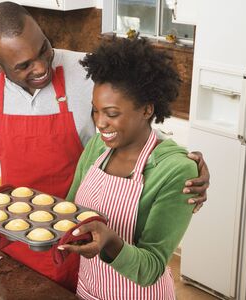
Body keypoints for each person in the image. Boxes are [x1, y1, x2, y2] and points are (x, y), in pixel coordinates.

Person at [0, 1, 209, 291]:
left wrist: (182, 162)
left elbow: (133, 128)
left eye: (44, 49)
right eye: (24, 65)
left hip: (80, 240)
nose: (41, 67)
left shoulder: (88, 72)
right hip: (12, 232)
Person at [58, 38, 197, 299]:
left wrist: (110, 242)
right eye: (95, 111)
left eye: (111, 114)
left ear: (146, 110)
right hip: (88, 288)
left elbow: (151, 268)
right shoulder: (96, 149)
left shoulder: (176, 170)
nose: (100, 123)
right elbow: (70, 210)